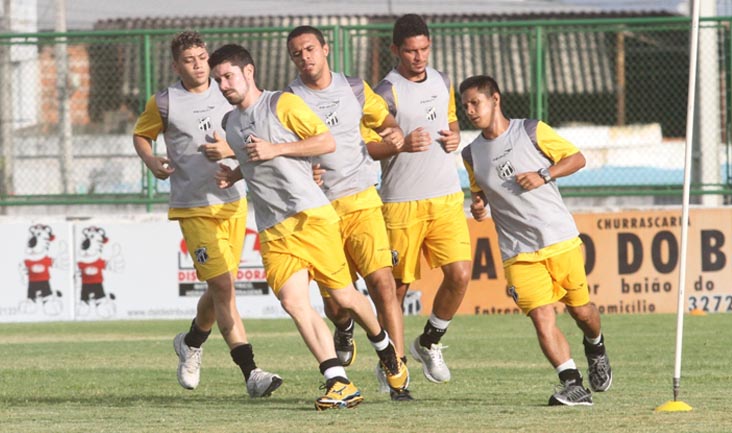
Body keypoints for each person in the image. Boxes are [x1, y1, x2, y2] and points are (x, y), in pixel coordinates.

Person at [208, 43, 409, 410]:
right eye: (217, 79)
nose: (222, 85)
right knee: (294, 302)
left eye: (228, 76)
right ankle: (339, 381)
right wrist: (234, 172)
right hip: (272, 228)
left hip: (311, 217)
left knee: (345, 297)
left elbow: (325, 143)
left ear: (248, 72)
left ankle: (384, 346)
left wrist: (276, 149)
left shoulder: (281, 104)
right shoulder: (232, 123)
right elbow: (255, 161)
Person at [132, 31, 282, 399]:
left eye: (202, 57)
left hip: (232, 201)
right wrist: (151, 160)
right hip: (193, 207)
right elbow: (141, 135)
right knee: (225, 288)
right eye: (190, 60)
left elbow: (251, 133)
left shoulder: (228, 89)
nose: (199, 65)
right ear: (176, 65)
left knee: (221, 287)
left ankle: (192, 341)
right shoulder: (165, 102)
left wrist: (229, 151)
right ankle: (251, 372)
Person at [459, 74, 613, 406]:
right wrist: (479, 205)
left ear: (495, 99)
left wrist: (544, 175)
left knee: (581, 312)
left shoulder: (531, 130)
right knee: (542, 317)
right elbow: (480, 193)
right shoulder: (470, 154)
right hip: (517, 251)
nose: (470, 111)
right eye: (465, 105)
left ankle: (596, 344)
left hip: (559, 238)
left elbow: (577, 159)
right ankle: (573, 383)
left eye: (476, 102)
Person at [285, 25, 413, 401]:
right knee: (338, 302)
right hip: (319, 210)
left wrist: (394, 133)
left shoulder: (355, 88)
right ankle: (344, 328)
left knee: (383, 284)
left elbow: (386, 122)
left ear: (325, 49)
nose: (305, 57)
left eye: (310, 48)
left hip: (361, 200)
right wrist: (306, 167)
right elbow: (286, 149)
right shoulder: (288, 99)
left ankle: (397, 368)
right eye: (297, 53)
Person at [372, 14, 472, 385]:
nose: (419, 57)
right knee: (396, 290)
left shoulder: (443, 80)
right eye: (411, 51)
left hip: (445, 196)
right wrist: (398, 144)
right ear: (396, 50)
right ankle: (392, 364)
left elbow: (452, 122)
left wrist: (453, 138)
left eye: (424, 49)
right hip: (401, 201)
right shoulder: (385, 91)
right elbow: (368, 145)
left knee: (460, 274)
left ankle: (429, 342)